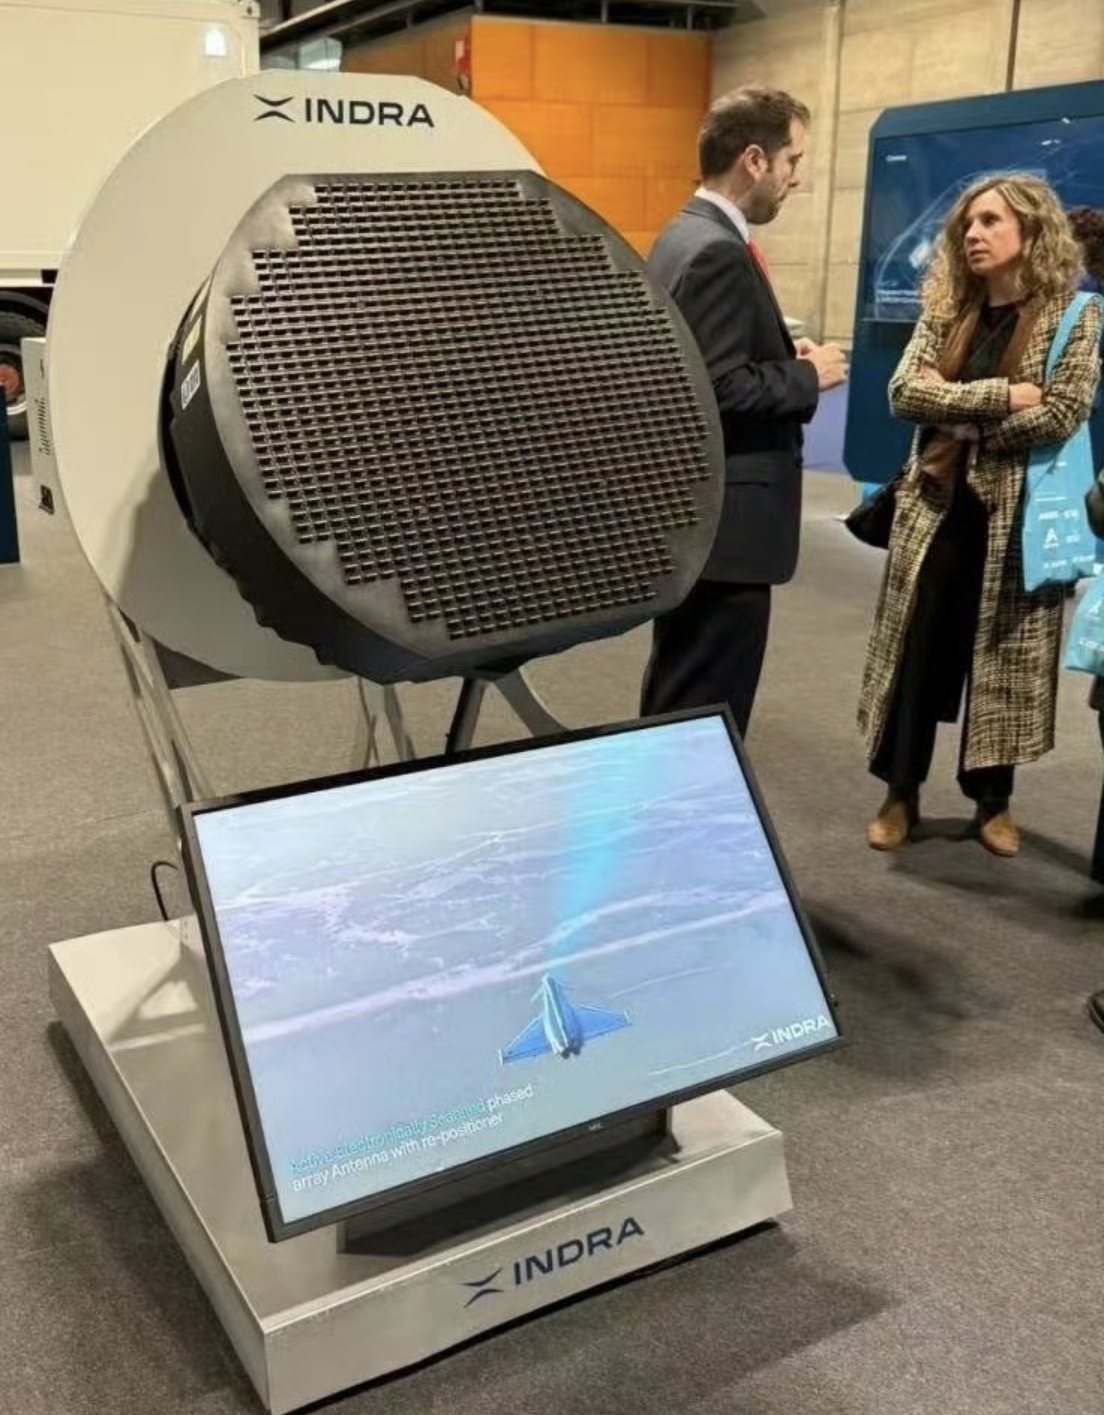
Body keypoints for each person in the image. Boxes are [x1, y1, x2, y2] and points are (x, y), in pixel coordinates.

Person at [858, 173, 1102, 857]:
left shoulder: (1076, 315)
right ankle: (900, 792)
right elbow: (904, 393)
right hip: (935, 512)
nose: (973, 233)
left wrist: (959, 412)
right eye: (968, 222)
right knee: (916, 656)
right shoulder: (947, 308)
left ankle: (992, 801)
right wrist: (1001, 398)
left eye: (991, 221)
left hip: (1019, 521)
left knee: (1004, 663)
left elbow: (1062, 411)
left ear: (1032, 231)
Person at [640, 85, 848, 738]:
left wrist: (782, 355)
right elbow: (715, 388)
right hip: (727, 530)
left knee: (682, 695)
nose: (796, 178)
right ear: (755, 161)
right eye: (793, 161)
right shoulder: (717, 251)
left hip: (701, 524)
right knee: (705, 711)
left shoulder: (684, 234)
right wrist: (807, 375)